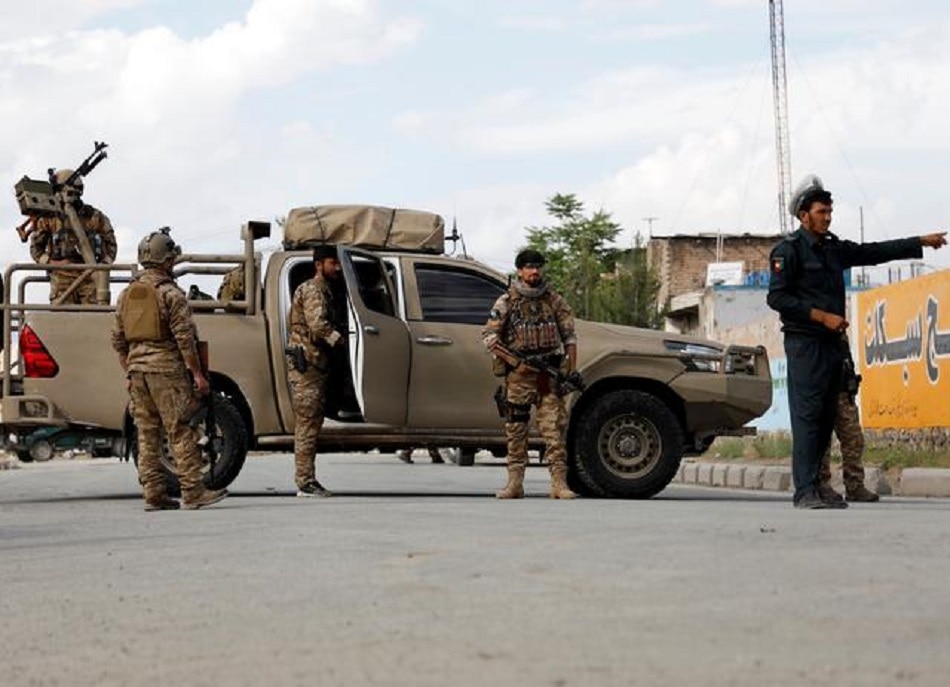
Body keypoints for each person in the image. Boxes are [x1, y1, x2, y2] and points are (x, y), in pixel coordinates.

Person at [767, 174, 946, 509]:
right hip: (806, 345)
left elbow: (873, 252)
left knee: (824, 419)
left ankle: (820, 489)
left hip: (834, 345)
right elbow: (777, 298)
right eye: (822, 211)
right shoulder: (787, 251)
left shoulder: (833, 249)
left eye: (830, 211)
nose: (828, 217)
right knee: (807, 418)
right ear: (804, 215)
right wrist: (821, 316)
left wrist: (920, 241)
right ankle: (804, 491)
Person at [111, 227, 227, 511]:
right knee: (180, 430)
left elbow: (117, 339)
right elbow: (185, 339)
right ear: (167, 260)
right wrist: (198, 374)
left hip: (137, 372)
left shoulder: (127, 295)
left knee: (147, 434)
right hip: (166, 370)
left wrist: (129, 369)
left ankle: (154, 494)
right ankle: (193, 492)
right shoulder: (170, 294)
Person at [482, 248, 578, 499]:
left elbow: (569, 336)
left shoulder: (554, 301)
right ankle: (515, 483)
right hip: (519, 377)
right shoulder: (506, 302)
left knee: (554, 430)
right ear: (520, 270)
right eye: (529, 267)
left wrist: (570, 369)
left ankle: (559, 483)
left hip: (548, 376)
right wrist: (515, 361)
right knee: (516, 430)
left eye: (538, 266)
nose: (534, 271)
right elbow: (489, 337)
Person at [287, 244, 345, 497]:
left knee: (312, 423)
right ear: (319, 265)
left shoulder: (325, 290)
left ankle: (306, 479)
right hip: (307, 366)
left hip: (315, 364)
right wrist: (340, 340)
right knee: (307, 424)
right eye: (333, 263)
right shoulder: (313, 290)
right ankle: (305, 482)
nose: (338, 268)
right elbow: (318, 325)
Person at [30, 168, 116, 304]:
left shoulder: (95, 217)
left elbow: (111, 246)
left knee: (95, 320)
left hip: (90, 279)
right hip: (61, 280)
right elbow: (36, 249)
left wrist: (101, 269)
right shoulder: (50, 217)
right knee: (63, 322)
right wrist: (55, 264)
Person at [818, 335, 879, 504]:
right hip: (821, 390)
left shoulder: (839, 333)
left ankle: (854, 486)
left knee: (853, 438)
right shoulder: (815, 327)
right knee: (822, 440)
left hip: (843, 390)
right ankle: (822, 485)